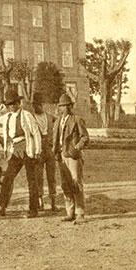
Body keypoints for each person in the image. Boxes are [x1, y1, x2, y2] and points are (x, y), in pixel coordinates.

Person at [0, 88, 42, 218]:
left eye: (14, 103)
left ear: (18, 103)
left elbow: (36, 133)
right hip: (15, 151)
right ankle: (1, 207)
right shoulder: (7, 117)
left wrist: (37, 151)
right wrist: (2, 106)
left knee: (31, 180)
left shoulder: (26, 115)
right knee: (8, 178)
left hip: (27, 149)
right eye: (9, 104)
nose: (12, 106)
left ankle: (33, 210)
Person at [52, 93, 90, 224]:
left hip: (73, 157)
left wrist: (77, 147)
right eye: (61, 106)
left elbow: (85, 137)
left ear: (70, 106)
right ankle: (70, 212)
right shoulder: (57, 122)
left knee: (76, 183)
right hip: (61, 156)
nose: (63, 108)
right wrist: (56, 152)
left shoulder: (77, 120)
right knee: (65, 185)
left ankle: (80, 213)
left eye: (66, 106)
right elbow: (55, 140)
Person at [31, 92, 58, 211]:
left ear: (42, 105)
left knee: (51, 176)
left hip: (49, 149)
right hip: (38, 149)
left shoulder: (50, 117)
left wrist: (55, 143)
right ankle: (40, 202)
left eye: (38, 105)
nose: (36, 107)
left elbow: (59, 126)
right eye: (34, 105)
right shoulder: (30, 118)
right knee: (38, 176)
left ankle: (53, 203)